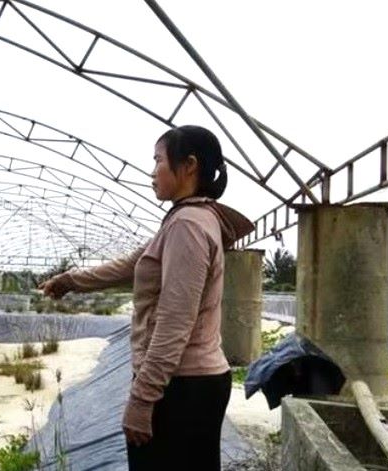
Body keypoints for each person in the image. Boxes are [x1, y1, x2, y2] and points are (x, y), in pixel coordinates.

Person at [39, 125, 254, 470]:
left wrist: (142, 398)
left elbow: (175, 321)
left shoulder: (187, 226)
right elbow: (131, 265)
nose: (152, 172)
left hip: (181, 386)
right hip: (192, 382)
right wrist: (71, 281)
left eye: (158, 161)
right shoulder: (187, 219)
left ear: (189, 166)